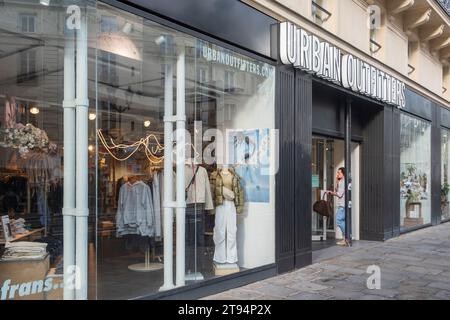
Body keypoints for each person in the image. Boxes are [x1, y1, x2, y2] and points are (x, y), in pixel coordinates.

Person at [327, 167, 349, 246]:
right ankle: (345, 238)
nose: (337, 174)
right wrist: (336, 180)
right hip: (342, 205)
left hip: (342, 205)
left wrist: (331, 193)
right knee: (341, 220)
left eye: (339, 173)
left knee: (338, 220)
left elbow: (339, 194)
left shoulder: (343, 183)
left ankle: (347, 237)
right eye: (337, 173)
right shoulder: (341, 182)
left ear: (343, 174)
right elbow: (337, 190)